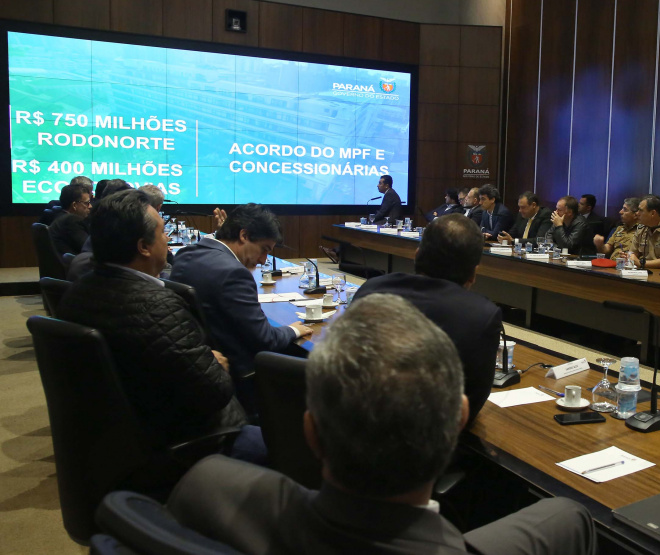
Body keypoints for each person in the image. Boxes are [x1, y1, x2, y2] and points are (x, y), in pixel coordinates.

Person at [167, 294, 595, 555]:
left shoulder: (207, 487)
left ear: (311, 432)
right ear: (458, 421)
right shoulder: (560, 526)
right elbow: (570, 518)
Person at [56, 190, 253, 476]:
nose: (167, 241)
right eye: (162, 232)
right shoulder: (157, 306)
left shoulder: (77, 292)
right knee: (293, 443)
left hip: (116, 442)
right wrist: (216, 364)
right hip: (188, 444)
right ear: (143, 247)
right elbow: (215, 392)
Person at [352, 214, 502, 422]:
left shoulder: (372, 287)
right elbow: (469, 406)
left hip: (354, 420)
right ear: (473, 274)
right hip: (429, 438)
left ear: (416, 255)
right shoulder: (482, 315)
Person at [170, 204, 313, 413]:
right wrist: (294, 330)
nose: (264, 260)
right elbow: (266, 340)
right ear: (244, 235)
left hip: (199, 367)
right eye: (264, 249)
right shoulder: (233, 273)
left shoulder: (185, 253)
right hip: (240, 379)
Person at [48, 181, 92, 256]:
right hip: (74, 265)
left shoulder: (60, 216)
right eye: (86, 203)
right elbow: (88, 249)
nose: (90, 206)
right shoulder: (71, 220)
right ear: (74, 205)